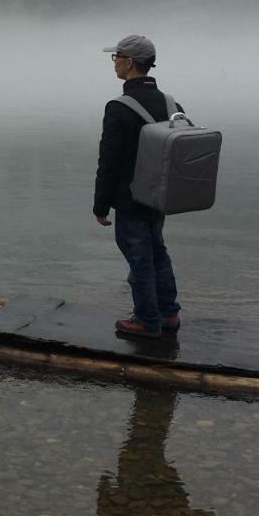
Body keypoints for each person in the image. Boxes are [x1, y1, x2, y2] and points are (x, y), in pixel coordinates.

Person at [94, 34, 182, 339]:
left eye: (116, 57)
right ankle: (169, 312)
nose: (114, 63)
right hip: (159, 198)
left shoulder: (118, 108)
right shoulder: (172, 102)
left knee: (139, 257)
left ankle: (147, 320)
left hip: (130, 199)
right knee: (158, 251)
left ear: (129, 62)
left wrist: (101, 206)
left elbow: (109, 161)